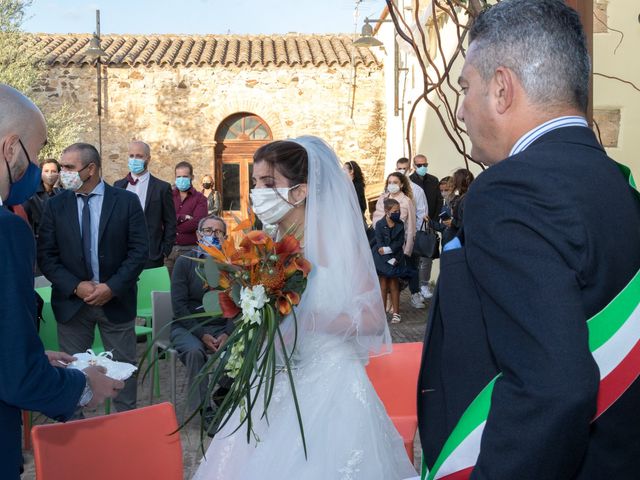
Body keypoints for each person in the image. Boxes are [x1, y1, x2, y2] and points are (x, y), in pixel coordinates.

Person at [417, 1, 640, 479]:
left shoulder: (510, 190)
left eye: (465, 88)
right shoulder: (618, 185)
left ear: (501, 88)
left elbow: (553, 386)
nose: (459, 111)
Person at [193, 136, 416, 479]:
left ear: (300, 191)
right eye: (255, 183)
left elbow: (372, 318)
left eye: (269, 184)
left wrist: (315, 320)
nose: (258, 192)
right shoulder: (261, 246)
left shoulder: (336, 242)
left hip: (330, 382)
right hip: (271, 378)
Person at [0, 84, 123, 479]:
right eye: (35, 154)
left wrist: (32, 353)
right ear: (11, 149)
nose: (37, 167)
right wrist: (82, 387)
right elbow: (15, 376)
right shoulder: (5, 231)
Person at [38, 143, 149, 414]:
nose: (62, 173)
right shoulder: (55, 206)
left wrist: (112, 287)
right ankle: (82, 434)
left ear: (91, 169)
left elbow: (138, 251)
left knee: (123, 373)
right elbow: (46, 256)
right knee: (75, 374)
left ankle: (125, 430)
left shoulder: (125, 202)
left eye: (69, 168)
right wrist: (76, 286)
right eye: (62, 167)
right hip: (72, 306)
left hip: (115, 302)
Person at [170, 214, 234, 415]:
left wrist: (228, 333)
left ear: (225, 237)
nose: (213, 235)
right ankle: (204, 408)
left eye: (218, 232)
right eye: (208, 231)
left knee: (242, 348)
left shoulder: (232, 264)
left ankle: (224, 391)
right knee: (194, 352)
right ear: (198, 235)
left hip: (222, 326)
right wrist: (202, 334)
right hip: (187, 327)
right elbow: (179, 306)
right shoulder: (184, 262)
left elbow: (239, 305)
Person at [114, 141, 176, 268]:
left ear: (148, 158)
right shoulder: (118, 186)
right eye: (131, 156)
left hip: (151, 254)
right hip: (122, 254)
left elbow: (170, 221)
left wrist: (165, 250)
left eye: (139, 156)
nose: (134, 159)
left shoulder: (161, 188)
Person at [396, 157, 430, 308]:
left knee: (412, 266)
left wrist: (416, 234)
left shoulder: (417, 190)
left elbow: (422, 213)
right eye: (399, 168)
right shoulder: (391, 188)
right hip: (394, 236)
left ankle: (415, 293)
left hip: (411, 234)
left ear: (410, 169)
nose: (401, 171)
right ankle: (392, 298)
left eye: (404, 168)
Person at [372, 198, 412, 324]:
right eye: (395, 211)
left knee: (394, 285)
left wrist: (388, 251)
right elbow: (379, 245)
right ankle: (382, 314)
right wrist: (388, 259)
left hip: (397, 257)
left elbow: (399, 243)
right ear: (386, 211)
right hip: (383, 260)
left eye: (399, 210)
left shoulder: (400, 224)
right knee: (383, 285)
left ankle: (396, 313)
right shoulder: (379, 224)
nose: (398, 213)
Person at [165, 161, 207, 276]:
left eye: (185, 176)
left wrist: (171, 224)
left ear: (192, 177)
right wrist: (182, 217)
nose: (181, 179)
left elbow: (197, 223)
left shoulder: (200, 199)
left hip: (190, 250)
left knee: (188, 286)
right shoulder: (167, 196)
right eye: (178, 177)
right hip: (169, 251)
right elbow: (161, 219)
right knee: (167, 288)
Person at [409, 154, 442, 300]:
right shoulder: (409, 181)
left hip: (430, 223)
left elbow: (438, 201)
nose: (423, 167)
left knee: (427, 255)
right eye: (419, 165)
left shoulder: (433, 180)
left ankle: (424, 284)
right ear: (414, 166)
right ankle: (415, 287)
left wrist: (432, 221)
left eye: (425, 164)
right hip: (414, 223)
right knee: (414, 256)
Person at [371, 172, 416, 257]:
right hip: (381, 242)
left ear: (401, 184)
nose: (392, 185)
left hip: (397, 244)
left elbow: (411, 228)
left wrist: (407, 252)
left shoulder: (406, 201)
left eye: (395, 182)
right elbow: (376, 218)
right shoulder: (382, 198)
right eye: (389, 182)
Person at [22, 158, 61, 238]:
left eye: (53, 171)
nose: (50, 174)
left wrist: (56, 190)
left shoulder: (63, 193)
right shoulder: (32, 194)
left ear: (59, 173)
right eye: (46, 171)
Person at [440, 168, 474, 246]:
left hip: (461, 241)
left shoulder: (465, 199)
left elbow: (466, 222)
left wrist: (453, 222)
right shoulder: (464, 197)